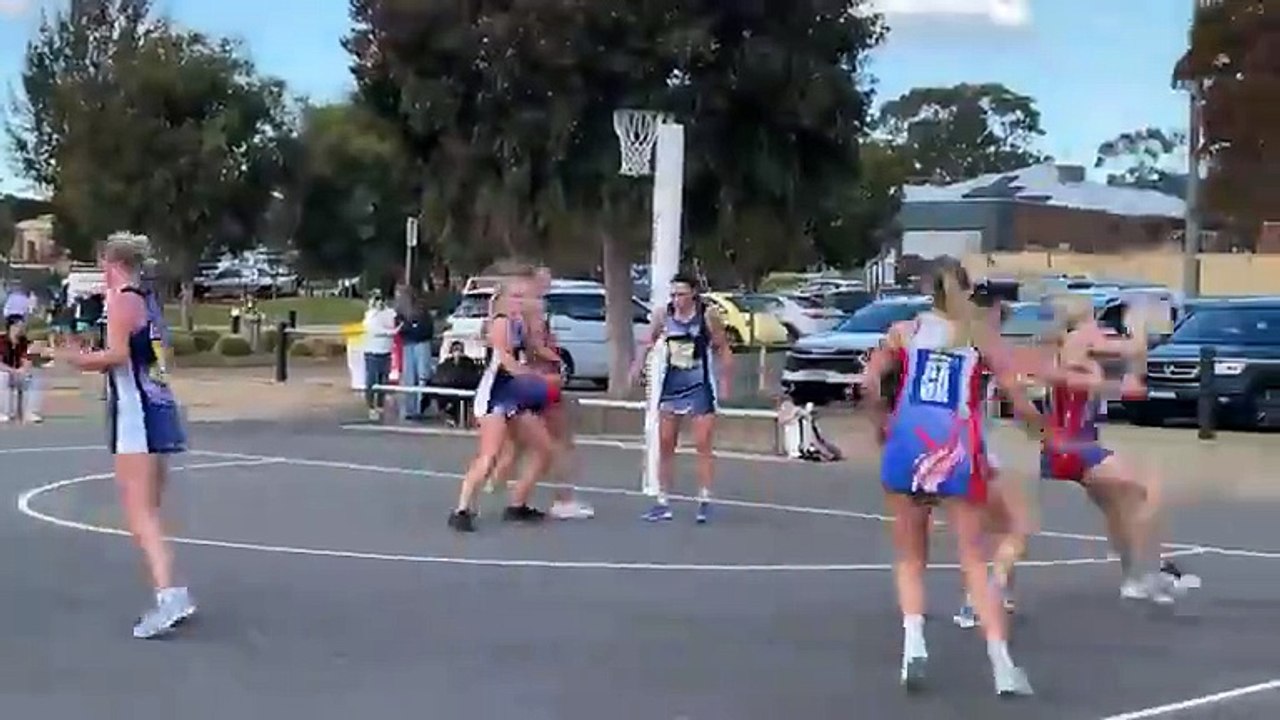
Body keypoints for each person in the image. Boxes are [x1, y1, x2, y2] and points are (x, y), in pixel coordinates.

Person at [862, 260, 1039, 696]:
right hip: (955, 447)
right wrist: (1042, 430)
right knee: (974, 560)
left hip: (908, 441)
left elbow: (868, 382)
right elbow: (1017, 398)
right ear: (968, 289)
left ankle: (914, 644)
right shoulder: (980, 338)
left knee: (909, 558)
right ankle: (1001, 665)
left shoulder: (905, 330)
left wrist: (879, 426)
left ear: (928, 290)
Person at [52, 233, 193, 639]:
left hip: (136, 414)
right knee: (148, 508)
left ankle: (169, 595)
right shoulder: (147, 300)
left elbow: (117, 355)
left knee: (140, 513)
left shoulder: (121, 300)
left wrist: (76, 359)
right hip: (155, 403)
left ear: (109, 262)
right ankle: (172, 588)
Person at [1038, 293, 1196, 604]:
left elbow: (1130, 365)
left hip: (1064, 446)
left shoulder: (1062, 346)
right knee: (1148, 489)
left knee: (1116, 508)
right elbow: (1135, 349)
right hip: (1077, 446)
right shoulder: (1080, 339)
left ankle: (1133, 580)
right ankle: (1158, 569)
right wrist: (1136, 322)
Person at [448, 268, 562, 532]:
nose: (520, 302)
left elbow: (534, 348)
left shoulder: (521, 322)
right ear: (503, 298)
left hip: (514, 393)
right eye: (516, 296)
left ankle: (517, 504)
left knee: (544, 449)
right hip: (495, 394)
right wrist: (537, 379)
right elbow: (507, 360)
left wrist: (555, 361)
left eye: (524, 296)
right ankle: (462, 509)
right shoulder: (500, 322)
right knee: (489, 455)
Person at [630, 274, 732, 524]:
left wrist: (726, 381)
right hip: (673, 384)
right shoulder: (664, 314)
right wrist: (637, 366)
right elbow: (648, 340)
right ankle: (662, 501)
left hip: (700, 384)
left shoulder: (707, 315)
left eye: (681, 294)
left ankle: (705, 499)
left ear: (693, 294)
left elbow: (722, 348)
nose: (676, 299)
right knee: (665, 443)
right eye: (673, 294)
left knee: (702, 442)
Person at [394, 284, 435, 420]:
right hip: (409, 343)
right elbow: (399, 328)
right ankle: (410, 408)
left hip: (420, 343)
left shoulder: (421, 309)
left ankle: (419, 407)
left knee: (422, 375)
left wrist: (410, 328)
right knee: (409, 377)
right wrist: (410, 327)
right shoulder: (400, 311)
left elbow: (426, 328)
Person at [361, 290, 399, 421]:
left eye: (380, 299)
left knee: (384, 380)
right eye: (375, 299)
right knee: (372, 381)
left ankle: (380, 405)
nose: (379, 302)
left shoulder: (389, 313)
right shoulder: (370, 315)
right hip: (372, 352)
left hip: (386, 351)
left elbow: (396, 319)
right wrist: (392, 332)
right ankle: (371, 407)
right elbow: (374, 329)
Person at [0, 316, 43, 423]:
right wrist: (12, 371)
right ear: (11, 327)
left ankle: (29, 412)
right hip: (5, 372)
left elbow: (27, 358)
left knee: (33, 378)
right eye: (18, 326)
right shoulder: (1, 341)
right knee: (2, 377)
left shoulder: (23, 341)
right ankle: (4, 412)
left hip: (17, 372)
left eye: (22, 326)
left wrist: (24, 369)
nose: (21, 329)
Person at [432, 341, 482, 425]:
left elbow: (473, 377)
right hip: (449, 388)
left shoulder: (469, 363)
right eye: (455, 349)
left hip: (465, 388)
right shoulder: (445, 363)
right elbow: (440, 376)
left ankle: (459, 417)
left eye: (459, 349)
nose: (457, 352)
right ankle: (448, 413)